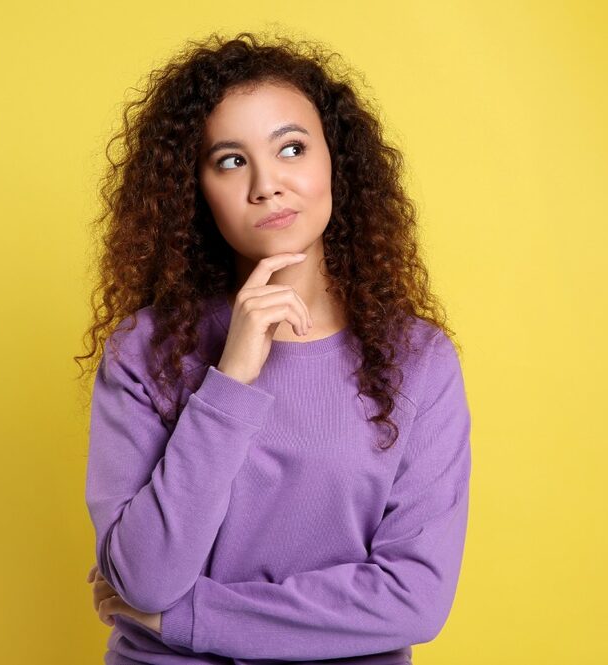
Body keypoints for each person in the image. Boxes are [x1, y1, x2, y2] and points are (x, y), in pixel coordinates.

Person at [79, 30, 473, 665]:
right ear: (194, 189)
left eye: (291, 148)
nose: (266, 184)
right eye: (230, 161)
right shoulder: (144, 351)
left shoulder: (418, 361)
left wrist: (185, 617)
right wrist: (231, 378)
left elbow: (414, 599)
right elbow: (146, 577)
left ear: (335, 162)